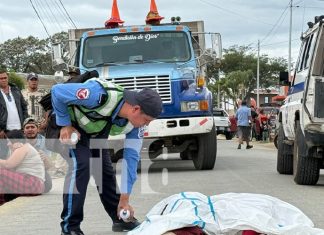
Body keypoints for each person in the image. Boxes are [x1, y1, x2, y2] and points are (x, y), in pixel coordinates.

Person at [50, 77, 163, 235]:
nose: (147, 124)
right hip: (69, 129)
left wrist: (125, 199)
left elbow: (131, 160)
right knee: (82, 164)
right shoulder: (98, 95)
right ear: (136, 109)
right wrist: (65, 125)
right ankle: (70, 227)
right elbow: (57, 91)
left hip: (93, 135)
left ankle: (119, 219)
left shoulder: (135, 126)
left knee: (104, 172)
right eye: (146, 120)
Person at [0, 129, 45, 206]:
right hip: (33, 184)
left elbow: (8, 164)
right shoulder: (16, 150)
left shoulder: (23, 147)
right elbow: (9, 169)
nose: (7, 144)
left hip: (33, 183)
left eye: (8, 141)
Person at [0, 69, 28, 159]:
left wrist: (25, 122)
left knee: (20, 154)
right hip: (5, 130)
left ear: (8, 78)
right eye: (1, 78)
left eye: (5, 78)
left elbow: (24, 107)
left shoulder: (15, 89)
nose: (3, 80)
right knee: (4, 155)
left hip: (19, 128)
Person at [23, 117, 53, 192]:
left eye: (33, 127)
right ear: (23, 130)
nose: (30, 129)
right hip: (23, 170)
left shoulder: (45, 142)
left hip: (39, 170)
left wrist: (45, 158)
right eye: (27, 127)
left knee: (47, 186)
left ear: (38, 129)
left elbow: (50, 166)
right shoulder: (18, 141)